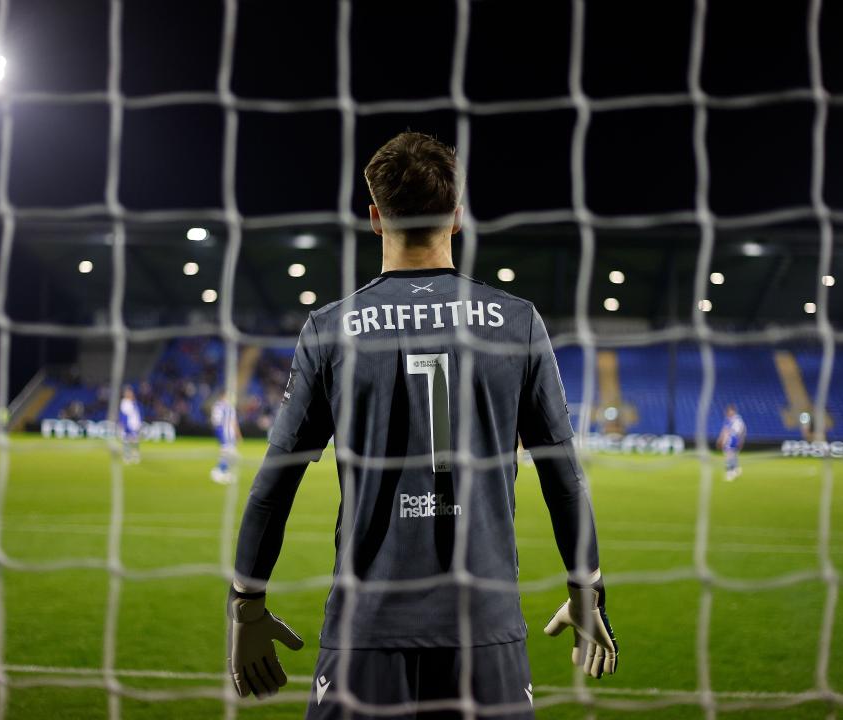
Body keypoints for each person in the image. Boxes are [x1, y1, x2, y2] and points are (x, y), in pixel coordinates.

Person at [225, 132, 618, 718]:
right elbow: (563, 476)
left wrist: (247, 606)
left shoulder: (331, 329)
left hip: (367, 632)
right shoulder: (517, 324)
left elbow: (274, 483)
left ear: (375, 217)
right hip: (484, 631)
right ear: (456, 217)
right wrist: (587, 591)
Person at [210, 393, 241, 484]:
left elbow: (233, 422)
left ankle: (225, 471)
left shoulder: (226, 406)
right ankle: (218, 471)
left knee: (230, 453)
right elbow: (217, 421)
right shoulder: (222, 406)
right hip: (224, 432)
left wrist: (237, 434)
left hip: (228, 433)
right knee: (227, 451)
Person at [717, 404, 746, 481]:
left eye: (730, 411)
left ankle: (729, 473)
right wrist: (721, 439)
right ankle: (736, 469)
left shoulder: (735, 419)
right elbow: (725, 430)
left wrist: (740, 439)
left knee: (728, 455)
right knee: (732, 455)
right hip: (732, 438)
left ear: (733, 411)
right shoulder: (731, 419)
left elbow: (739, 430)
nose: (728, 412)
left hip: (732, 438)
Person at [118, 385, 142, 464]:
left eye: (130, 392)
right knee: (127, 440)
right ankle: (127, 456)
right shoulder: (125, 402)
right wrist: (123, 424)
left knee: (135, 440)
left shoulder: (133, 402)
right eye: (127, 392)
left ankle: (135, 455)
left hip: (134, 425)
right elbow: (123, 415)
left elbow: (137, 414)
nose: (129, 393)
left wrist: (139, 423)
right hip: (128, 425)